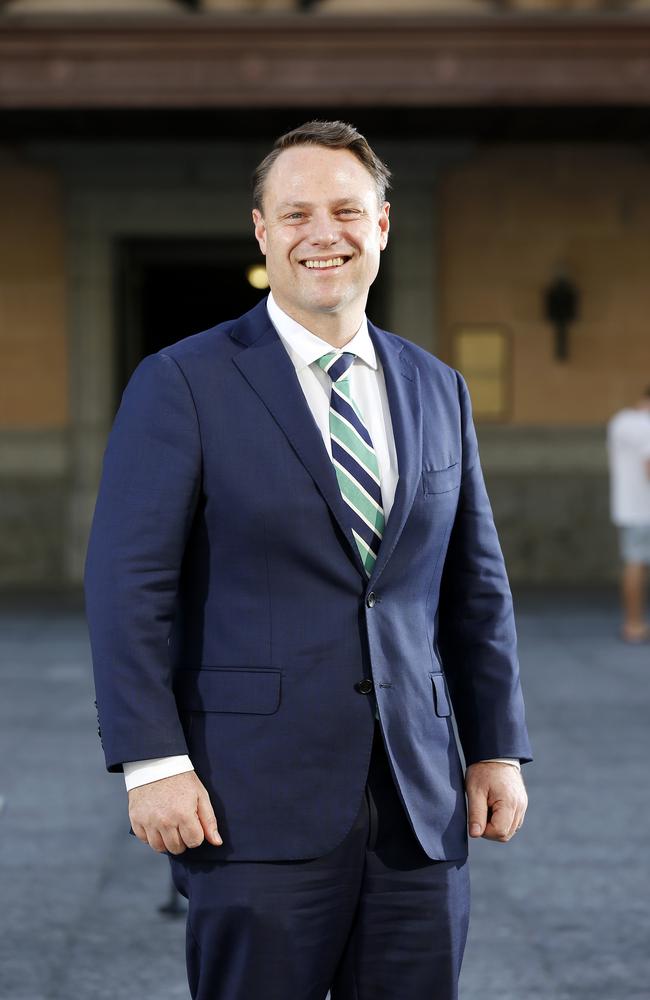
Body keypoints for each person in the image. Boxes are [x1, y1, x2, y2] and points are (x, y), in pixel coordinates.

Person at [84, 120, 531, 1000]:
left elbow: (475, 586)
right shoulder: (183, 381)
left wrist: (498, 749)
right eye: (296, 214)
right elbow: (127, 587)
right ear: (261, 231)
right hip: (247, 802)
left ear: (383, 226)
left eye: (345, 210)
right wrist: (153, 763)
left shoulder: (437, 386)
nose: (322, 233)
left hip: (418, 803)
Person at [607, 388, 650, 643]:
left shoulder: (620, 422)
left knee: (633, 562)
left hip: (627, 507)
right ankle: (634, 625)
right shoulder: (647, 426)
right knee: (637, 564)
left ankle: (632, 623)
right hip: (646, 507)